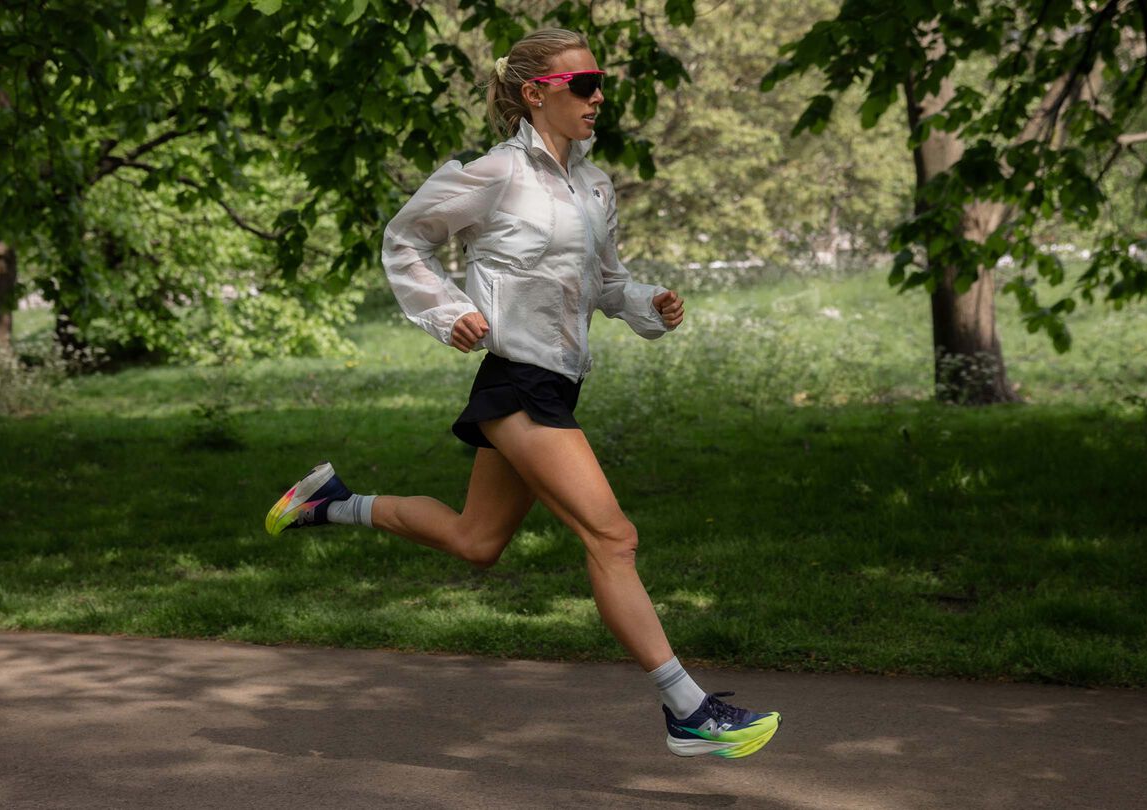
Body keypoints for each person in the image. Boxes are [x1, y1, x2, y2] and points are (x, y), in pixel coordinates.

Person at [264, 27, 780, 760]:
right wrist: (449, 312)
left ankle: (329, 503)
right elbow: (405, 239)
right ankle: (688, 710)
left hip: (556, 383)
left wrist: (649, 303)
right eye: (583, 85)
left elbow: (604, 282)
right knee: (614, 537)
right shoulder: (495, 173)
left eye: (601, 85)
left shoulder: (594, 185)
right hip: (516, 380)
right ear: (537, 93)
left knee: (478, 541)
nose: (598, 97)